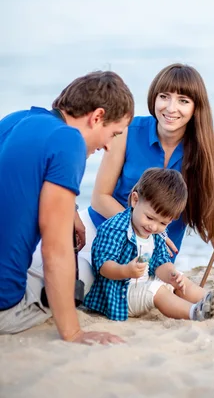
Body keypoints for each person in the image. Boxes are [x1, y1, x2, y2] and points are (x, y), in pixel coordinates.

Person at [80, 63, 214, 287]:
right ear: (154, 98)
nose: (171, 108)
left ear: (196, 107)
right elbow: (100, 197)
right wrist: (139, 229)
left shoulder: (210, 146)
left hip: (154, 256)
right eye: (164, 96)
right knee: (74, 281)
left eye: (183, 101)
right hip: (101, 232)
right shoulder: (128, 131)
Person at [0, 71, 134, 344]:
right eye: (113, 133)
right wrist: (73, 332)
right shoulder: (69, 141)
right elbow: (55, 249)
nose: (109, 145)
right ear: (97, 117)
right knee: (84, 270)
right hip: (5, 307)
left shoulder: (16, 120)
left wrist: (70, 208)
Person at [84, 168, 214, 321]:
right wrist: (126, 271)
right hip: (119, 295)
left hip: (142, 286)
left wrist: (171, 275)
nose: (153, 227)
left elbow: (161, 263)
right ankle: (194, 312)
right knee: (156, 290)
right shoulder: (115, 228)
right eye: (149, 217)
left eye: (163, 223)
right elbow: (103, 266)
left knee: (180, 280)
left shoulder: (156, 235)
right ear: (135, 200)